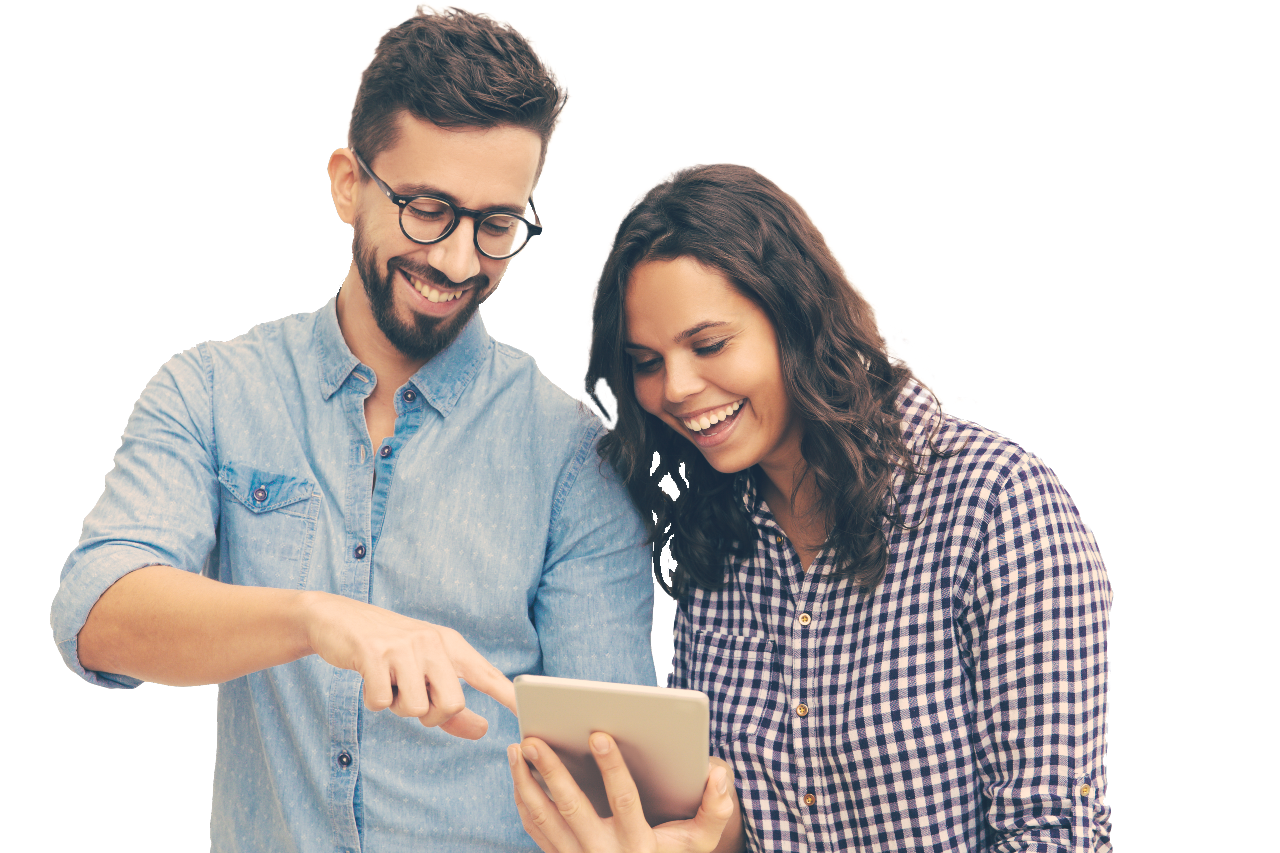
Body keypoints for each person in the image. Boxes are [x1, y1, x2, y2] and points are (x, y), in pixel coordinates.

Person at [50, 4, 666, 850]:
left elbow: (616, 780)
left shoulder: (572, 457)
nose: (457, 261)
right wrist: (317, 619)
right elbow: (95, 617)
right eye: (426, 208)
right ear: (348, 182)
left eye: (496, 226)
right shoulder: (213, 391)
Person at [508, 161, 1113, 852]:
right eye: (646, 360)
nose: (674, 387)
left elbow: (1053, 838)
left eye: (709, 344)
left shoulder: (997, 508)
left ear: (797, 316)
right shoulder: (708, 532)